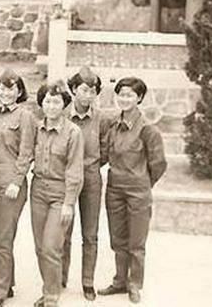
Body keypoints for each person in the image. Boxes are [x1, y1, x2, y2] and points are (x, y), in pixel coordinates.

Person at [98, 77, 167, 304]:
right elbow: (103, 155)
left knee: (136, 243)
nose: (124, 99)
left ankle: (134, 284)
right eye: (121, 94)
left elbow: (158, 164)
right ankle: (120, 281)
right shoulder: (112, 125)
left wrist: (144, 183)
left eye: (129, 95)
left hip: (138, 191)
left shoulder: (148, 130)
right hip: (114, 190)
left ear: (139, 98)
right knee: (117, 239)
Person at [0, 68, 36, 307]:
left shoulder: (25, 116)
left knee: (3, 237)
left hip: (11, 183)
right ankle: (8, 283)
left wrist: (17, 180)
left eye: (12, 89)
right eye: (3, 89)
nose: (6, 93)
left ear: (19, 91)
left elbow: (27, 151)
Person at [31, 81, 84, 307]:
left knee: (51, 246)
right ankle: (51, 285)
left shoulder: (73, 132)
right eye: (47, 101)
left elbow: (75, 169)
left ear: (64, 104)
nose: (51, 106)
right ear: (41, 103)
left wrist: (69, 203)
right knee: (39, 246)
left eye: (56, 102)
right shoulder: (36, 129)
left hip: (60, 193)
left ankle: (51, 296)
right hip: (38, 191)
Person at [61, 67, 112, 301]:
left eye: (92, 91)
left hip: (91, 178)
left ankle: (88, 282)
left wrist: (90, 166)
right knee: (64, 232)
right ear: (73, 90)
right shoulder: (62, 115)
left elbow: (105, 150)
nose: (88, 95)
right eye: (83, 90)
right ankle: (60, 277)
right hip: (65, 179)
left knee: (90, 234)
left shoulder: (101, 119)